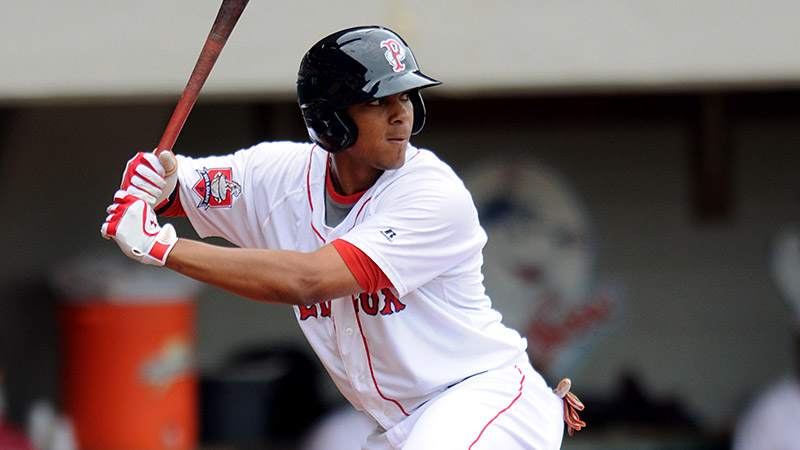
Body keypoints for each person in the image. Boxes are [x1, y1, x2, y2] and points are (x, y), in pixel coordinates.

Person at [101, 26, 584, 449]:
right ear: (329, 118)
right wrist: (159, 185)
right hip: (397, 424)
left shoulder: (433, 195)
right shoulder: (277, 176)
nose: (401, 114)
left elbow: (310, 280)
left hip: (483, 398)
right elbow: (183, 184)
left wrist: (163, 248)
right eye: (378, 101)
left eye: (406, 96)